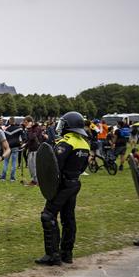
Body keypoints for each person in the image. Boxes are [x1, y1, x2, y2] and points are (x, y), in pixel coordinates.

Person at [35, 111, 90, 266]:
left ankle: (52, 254)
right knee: (68, 218)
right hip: (74, 183)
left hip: (62, 185)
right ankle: (67, 253)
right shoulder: (84, 144)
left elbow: (54, 166)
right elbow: (83, 166)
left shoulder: (66, 143)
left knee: (48, 215)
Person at [24, 116, 43, 186]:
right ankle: (34, 180)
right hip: (31, 150)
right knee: (30, 165)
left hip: (36, 150)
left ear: (30, 122)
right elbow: (29, 140)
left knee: (35, 166)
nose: (24, 124)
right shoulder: (30, 129)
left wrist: (29, 129)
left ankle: (37, 181)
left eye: (26, 122)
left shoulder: (37, 128)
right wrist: (25, 145)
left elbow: (32, 137)